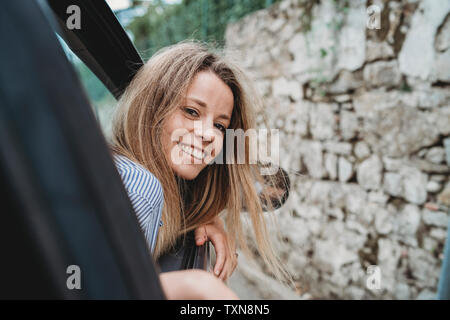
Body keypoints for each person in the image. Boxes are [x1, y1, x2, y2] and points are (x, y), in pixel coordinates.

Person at [110, 41, 290, 297]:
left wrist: (204, 214)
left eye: (219, 126)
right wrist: (196, 285)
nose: (209, 135)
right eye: (191, 111)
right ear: (150, 108)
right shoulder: (140, 186)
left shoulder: (139, 178)